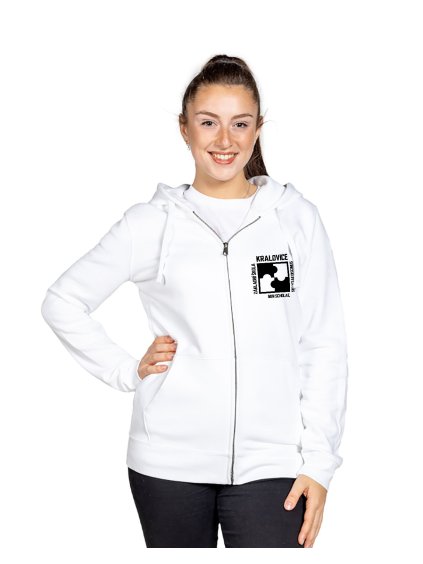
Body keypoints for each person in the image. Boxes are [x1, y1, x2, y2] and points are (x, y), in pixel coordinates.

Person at [41, 54, 349, 548]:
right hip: (168, 464)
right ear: (185, 129)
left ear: (258, 129)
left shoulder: (294, 219)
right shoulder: (152, 223)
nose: (225, 140)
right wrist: (125, 370)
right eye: (208, 122)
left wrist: (320, 463)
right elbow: (63, 301)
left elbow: (322, 343)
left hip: (274, 463)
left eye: (240, 123)